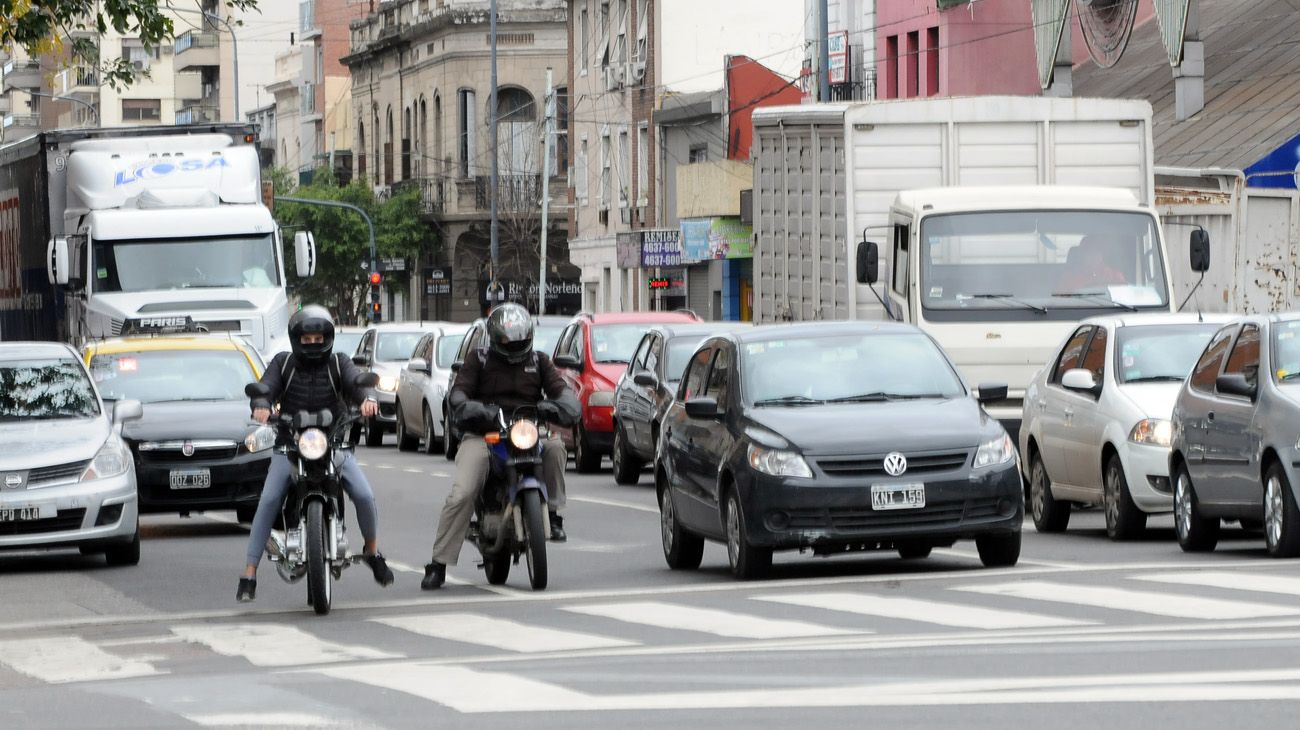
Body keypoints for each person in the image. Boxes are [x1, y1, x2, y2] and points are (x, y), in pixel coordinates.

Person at [237, 305, 395, 602]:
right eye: (306, 339)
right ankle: (249, 573)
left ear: (328, 338)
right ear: (296, 339)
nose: (313, 344)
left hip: (332, 444)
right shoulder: (283, 364)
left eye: (318, 338)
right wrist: (261, 403)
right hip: (290, 445)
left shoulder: (339, 362)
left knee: (363, 494)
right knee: (269, 499)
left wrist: (368, 400)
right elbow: (266, 386)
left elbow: (356, 382)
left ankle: (372, 552)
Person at [421, 303, 579, 590]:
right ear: (494, 338)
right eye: (507, 339)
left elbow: (565, 395)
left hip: (526, 431)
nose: (513, 344)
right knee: (463, 491)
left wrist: (557, 407)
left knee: (555, 448)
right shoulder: (478, 360)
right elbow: (458, 395)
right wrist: (477, 411)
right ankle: (438, 563)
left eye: (518, 338)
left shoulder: (540, 361)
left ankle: (553, 515)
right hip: (485, 434)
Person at [1058, 235, 1128, 292]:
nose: (1092, 255)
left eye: (1096, 251)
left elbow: (1124, 299)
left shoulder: (1115, 276)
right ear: (1081, 255)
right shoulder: (1069, 278)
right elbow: (1060, 303)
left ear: (1102, 254)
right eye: (1088, 251)